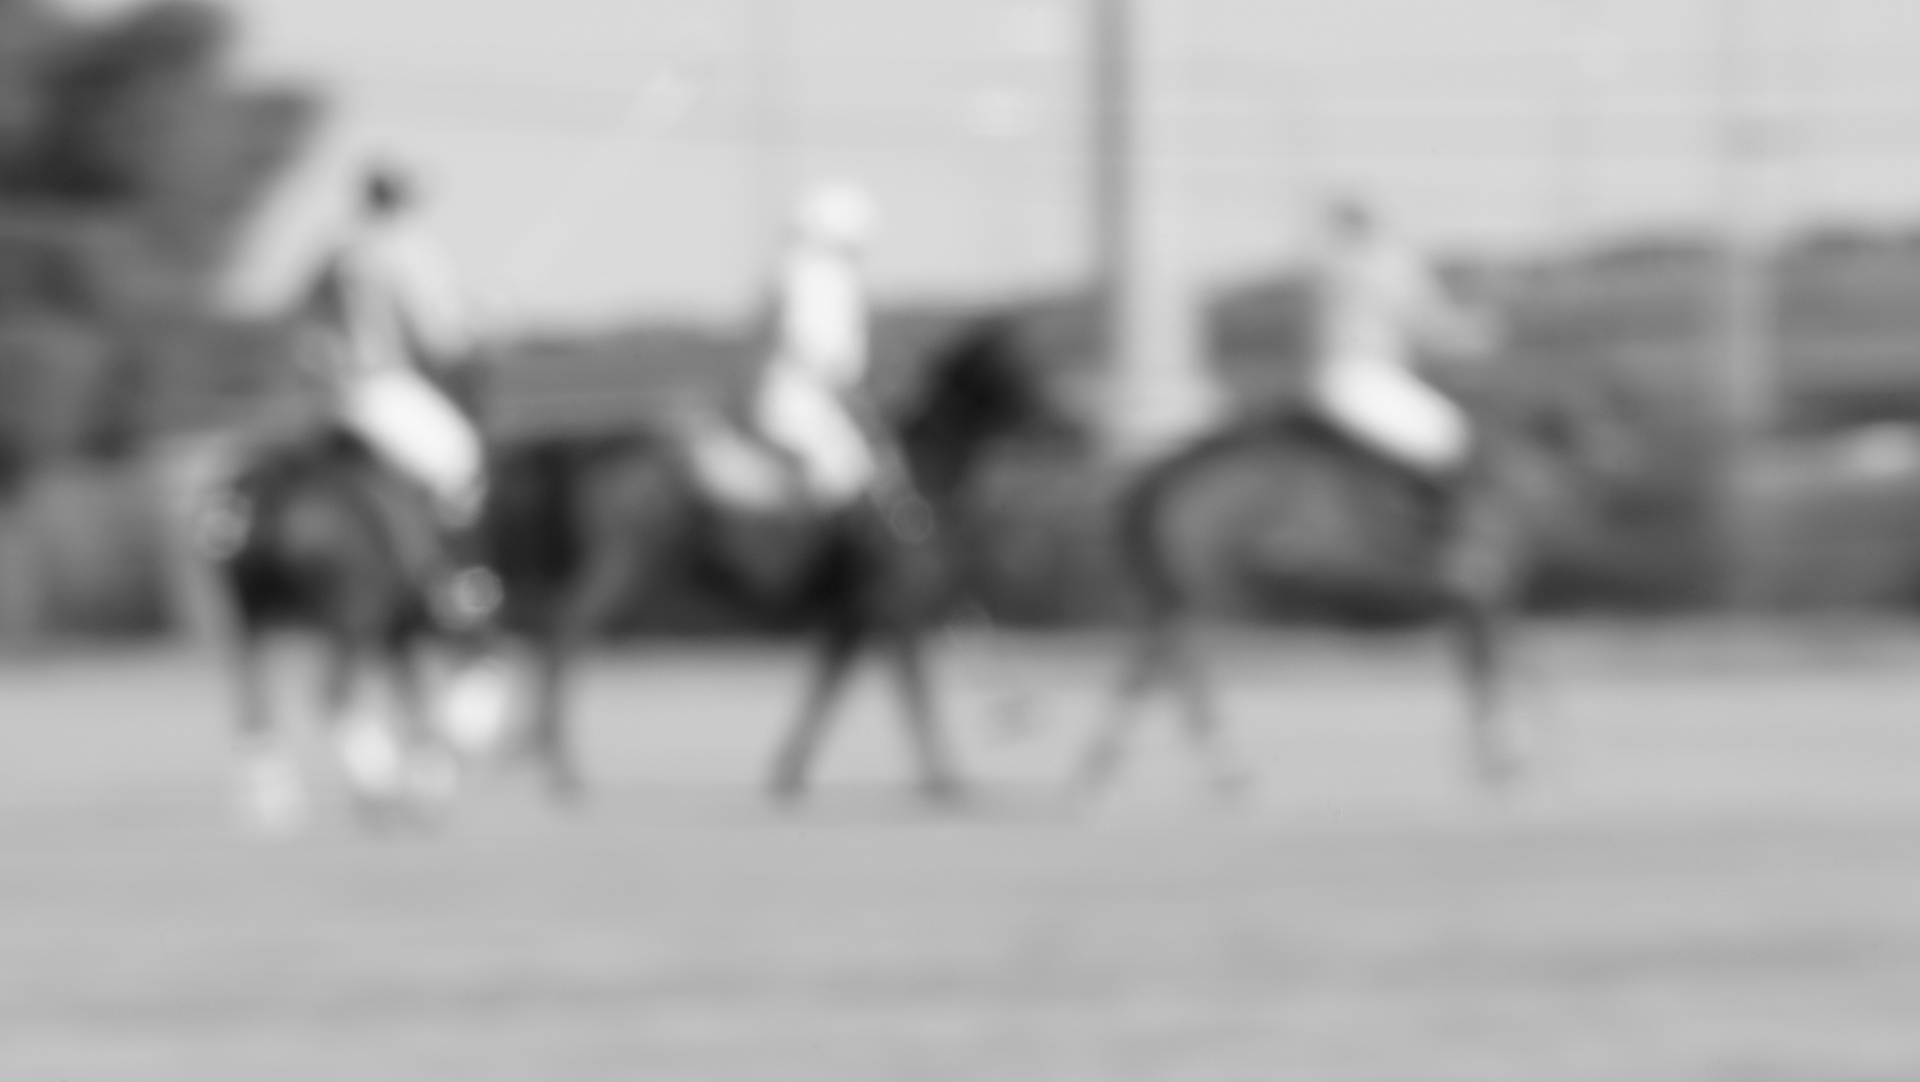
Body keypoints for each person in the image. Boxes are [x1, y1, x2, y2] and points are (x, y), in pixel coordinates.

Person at [295, 162, 499, 625]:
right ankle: (454, 588)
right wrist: (480, 322)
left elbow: (302, 322)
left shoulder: (335, 247)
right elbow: (438, 336)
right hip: (380, 386)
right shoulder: (405, 248)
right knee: (461, 460)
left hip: (326, 396)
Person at [1303, 196, 1499, 501]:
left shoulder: (1334, 266)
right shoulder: (1386, 264)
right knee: (1452, 437)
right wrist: (1481, 330)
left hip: (1331, 381)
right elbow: (1432, 328)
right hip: (1370, 380)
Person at [751, 180, 888, 509]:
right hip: (803, 403)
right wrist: (850, 389)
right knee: (846, 473)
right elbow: (820, 350)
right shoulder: (818, 276)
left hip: (817, 400)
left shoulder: (801, 270)